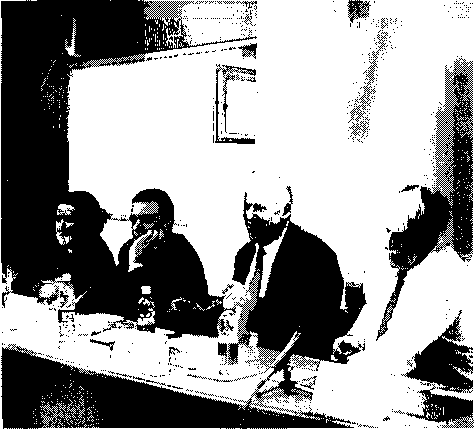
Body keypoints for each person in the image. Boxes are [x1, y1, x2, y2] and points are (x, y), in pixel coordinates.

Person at [313, 186, 472, 424]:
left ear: (428, 236)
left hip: (452, 406)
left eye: (400, 235)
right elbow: (371, 322)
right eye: (387, 232)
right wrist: (354, 341)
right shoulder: (395, 264)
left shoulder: (446, 276)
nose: (388, 244)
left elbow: (396, 355)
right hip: (404, 391)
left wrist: (340, 375)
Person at [220, 172, 345, 359]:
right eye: (247, 207)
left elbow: (314, 329)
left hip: (295, 366)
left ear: (285, 211)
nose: (249, 215)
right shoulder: (244, 255)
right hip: (243, 360)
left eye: (259, 208)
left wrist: (249, 306)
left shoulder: (317, 257)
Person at [115, 188, 212, 332]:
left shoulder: (181, 251)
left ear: (166, 224)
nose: (136, 227)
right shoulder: (128, 249)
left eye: (146, 220)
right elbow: (116, 300)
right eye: (133, 219)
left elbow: (187, 305)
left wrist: (136, 265)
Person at [11, 191, 116, 314]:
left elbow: (93, 300)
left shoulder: (100, 256)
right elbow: (19, 282)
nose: (61, 226)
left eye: (69, 219)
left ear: (86, 223)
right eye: (58, 219)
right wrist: (41, 288)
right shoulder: (54, 250)